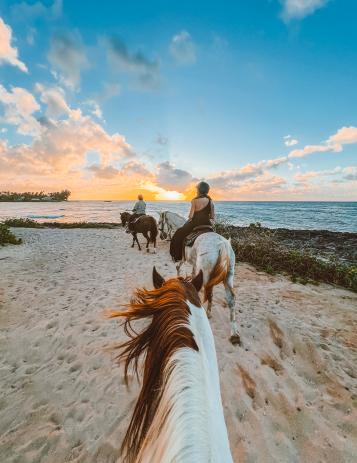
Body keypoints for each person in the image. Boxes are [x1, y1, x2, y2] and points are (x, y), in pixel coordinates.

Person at [170, 181, 215, 262]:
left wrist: (190, 219)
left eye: (197, 189)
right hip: (207, 223)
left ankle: (177, 256)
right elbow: (212, 216)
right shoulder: (211, 201)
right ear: (207, 190)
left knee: (179, 233)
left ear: (199, 190)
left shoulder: (194, 200)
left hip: (195, 223)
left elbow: (191, 216)